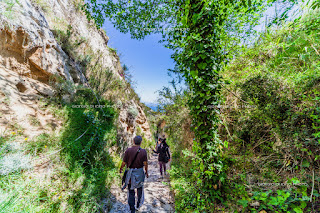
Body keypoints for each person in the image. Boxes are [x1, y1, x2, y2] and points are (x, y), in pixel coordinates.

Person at [120, 136, 149, 213]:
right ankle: (138, 205)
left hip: (130, 174)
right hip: (139, 173)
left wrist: (121, 168)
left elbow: (124, 162)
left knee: (131, 190)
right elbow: (145, 164)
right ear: (141, 142)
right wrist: (146, 172)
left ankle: (132, 208)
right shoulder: (143, 151)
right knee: (139, 189)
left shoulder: (128, 150)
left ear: (133, 141)